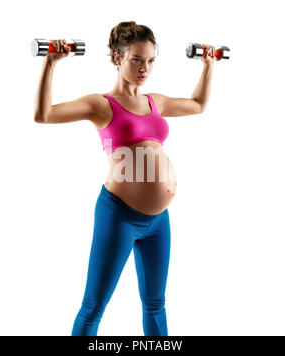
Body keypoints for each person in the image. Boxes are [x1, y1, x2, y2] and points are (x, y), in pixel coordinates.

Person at [34, 21, 215, 336]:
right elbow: (44, 114)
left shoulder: (155, 102)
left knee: (155, 304)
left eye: (150, 60)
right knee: (93, 309)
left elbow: (198, 104)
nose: (145, 68)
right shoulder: (101, 105)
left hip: (159, 220)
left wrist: (208, 64)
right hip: (119, 216)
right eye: (136, 59)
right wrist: (51, 63)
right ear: (117, 58)